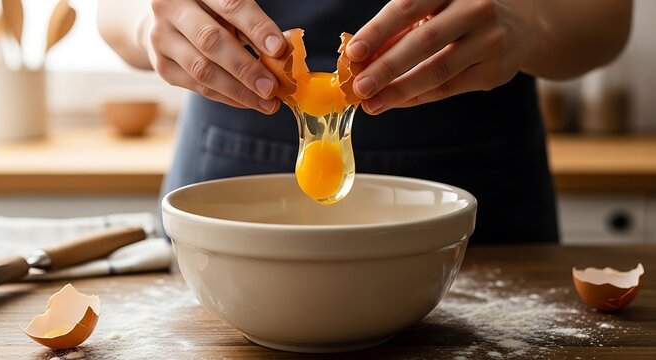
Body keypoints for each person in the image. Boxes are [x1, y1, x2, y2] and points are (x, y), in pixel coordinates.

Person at [97, 0, 632, 244]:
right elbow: (111, 13)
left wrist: (529, 24)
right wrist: (149, 20)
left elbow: (610, 17)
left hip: (484, 206)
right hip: (226, 182)